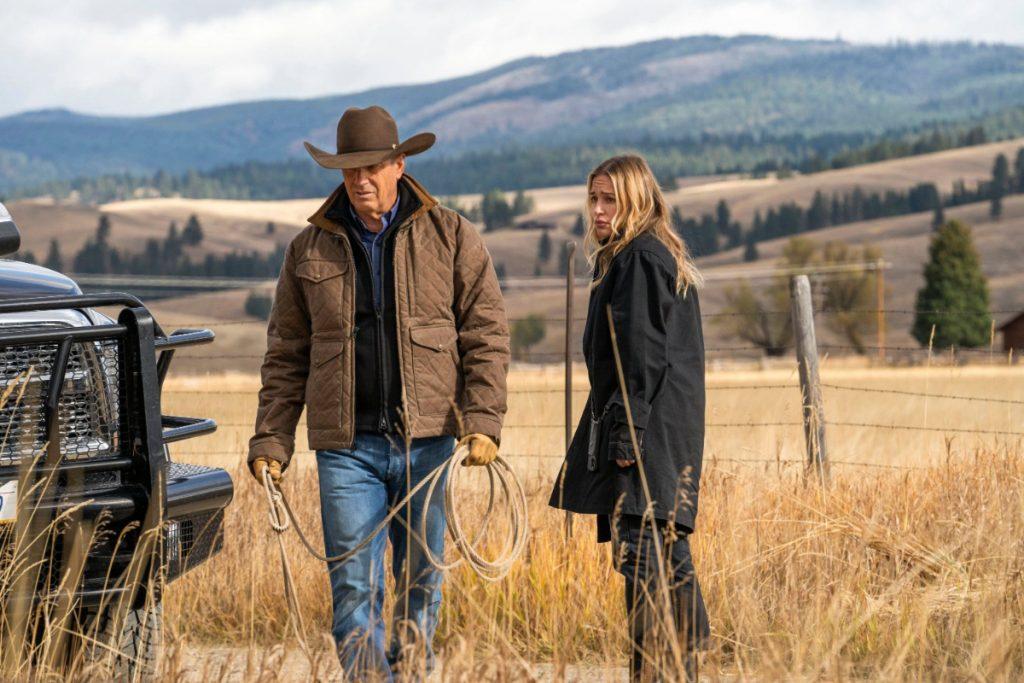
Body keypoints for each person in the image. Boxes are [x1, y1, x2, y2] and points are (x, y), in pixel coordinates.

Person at [247, 105, 510, 679]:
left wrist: (483, 421)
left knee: (422, 586)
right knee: (353, 592)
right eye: (348, 170)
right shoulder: (307, 250)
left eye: (370, 167)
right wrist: (272, 437)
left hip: (430, 444)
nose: (359, 180)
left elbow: (487, 334)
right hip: (347, 451)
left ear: (399, 164)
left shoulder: (451, 235)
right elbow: (286, 352)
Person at [549, 155, 709, 681]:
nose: (597, 209)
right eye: (593, 198)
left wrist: (624, 437)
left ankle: (656, 672)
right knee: (667, 550)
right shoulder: (639, 254)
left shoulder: (640, 259)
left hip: (644, 436)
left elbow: (637, 358)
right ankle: (684, 665)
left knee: (642, 553)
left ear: (636, 200)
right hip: (662, 434)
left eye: (609, 199)